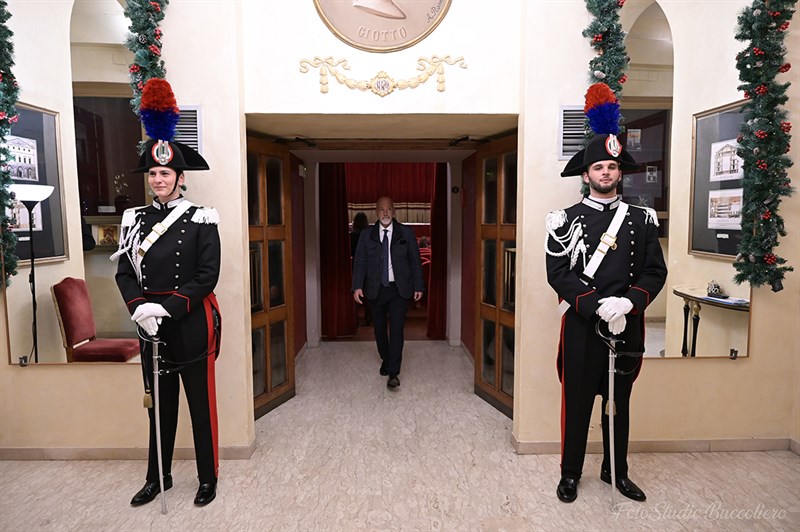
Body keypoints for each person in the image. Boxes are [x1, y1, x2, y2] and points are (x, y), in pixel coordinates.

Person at [112, 79, 222, 507]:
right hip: (149, 326)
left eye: (166, 173)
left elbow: (207, 275)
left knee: (199, 403)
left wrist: (168, 306)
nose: (159, 180)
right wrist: (140, 308)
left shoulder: (202, 218)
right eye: (153, 173)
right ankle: (158, 476)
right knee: (159, 406)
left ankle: (208, 477)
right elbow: (124, 273)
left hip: (189, 322)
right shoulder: (133, 220)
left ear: (180, 177)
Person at [545, 133, 667, 504]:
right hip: (584, 325)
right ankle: (570, 473)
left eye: (612, 166)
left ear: (619, 172)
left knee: (619, 402)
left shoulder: (642, 219)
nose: (606, 172)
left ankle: (616, 470)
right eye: (598, 167)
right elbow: (558, 272)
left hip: (626, 325)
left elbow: (654, 272)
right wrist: (595, 304)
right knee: (578, 401)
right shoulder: (565, 219)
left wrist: (628, 304)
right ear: (586, 174)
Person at [352, 197, 424, 389]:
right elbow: (359, 262)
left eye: (389, 209)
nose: (385, 213)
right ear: (376, 212)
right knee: (380, 330)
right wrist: (357, 286)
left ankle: (393, 372)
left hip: (399, 290)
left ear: (394, 211)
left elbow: (415, 262)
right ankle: (386, 359)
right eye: (381, 210)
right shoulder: (367, 235)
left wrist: (418, 286)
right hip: (375, 290)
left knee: (397, 329)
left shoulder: (406, 234)